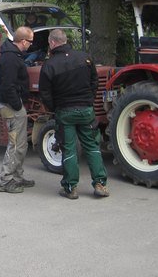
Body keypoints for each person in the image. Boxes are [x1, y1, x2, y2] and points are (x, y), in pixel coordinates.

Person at [39, 29, 109, 200]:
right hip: (86, 110)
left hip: (65, 111)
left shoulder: (49, 65)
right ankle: (100, 184)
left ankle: (71, 188)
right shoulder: (84, 57)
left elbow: (45, 93)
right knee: (92, 147)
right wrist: (88, 99)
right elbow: (95, 81)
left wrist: (55, 108)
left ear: (52, 43)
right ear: (66, 40)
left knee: (69, 149)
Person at [0, 26, 36, 193]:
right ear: (24, 41)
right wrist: (18, 105)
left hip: (12, 104)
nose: (31, 45)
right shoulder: (11, 59)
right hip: (11, 106)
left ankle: (17, 177)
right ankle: (5, 181)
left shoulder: (13, 55)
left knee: (21, 143)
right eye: (31, 41)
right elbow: (7, 85)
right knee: (15, 144)